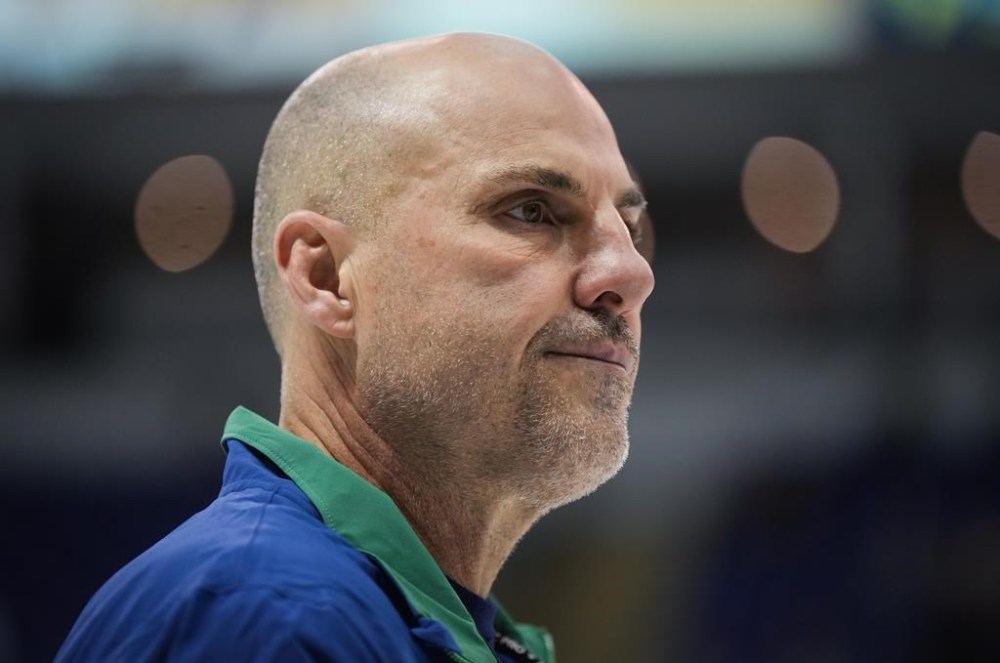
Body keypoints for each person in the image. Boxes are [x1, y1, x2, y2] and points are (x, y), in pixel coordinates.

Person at [58, 32, 655, 662]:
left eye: (630, 226)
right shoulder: (263, 618)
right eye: (532, 210)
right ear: (325, 278)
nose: (632, 273)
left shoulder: (350, 615)